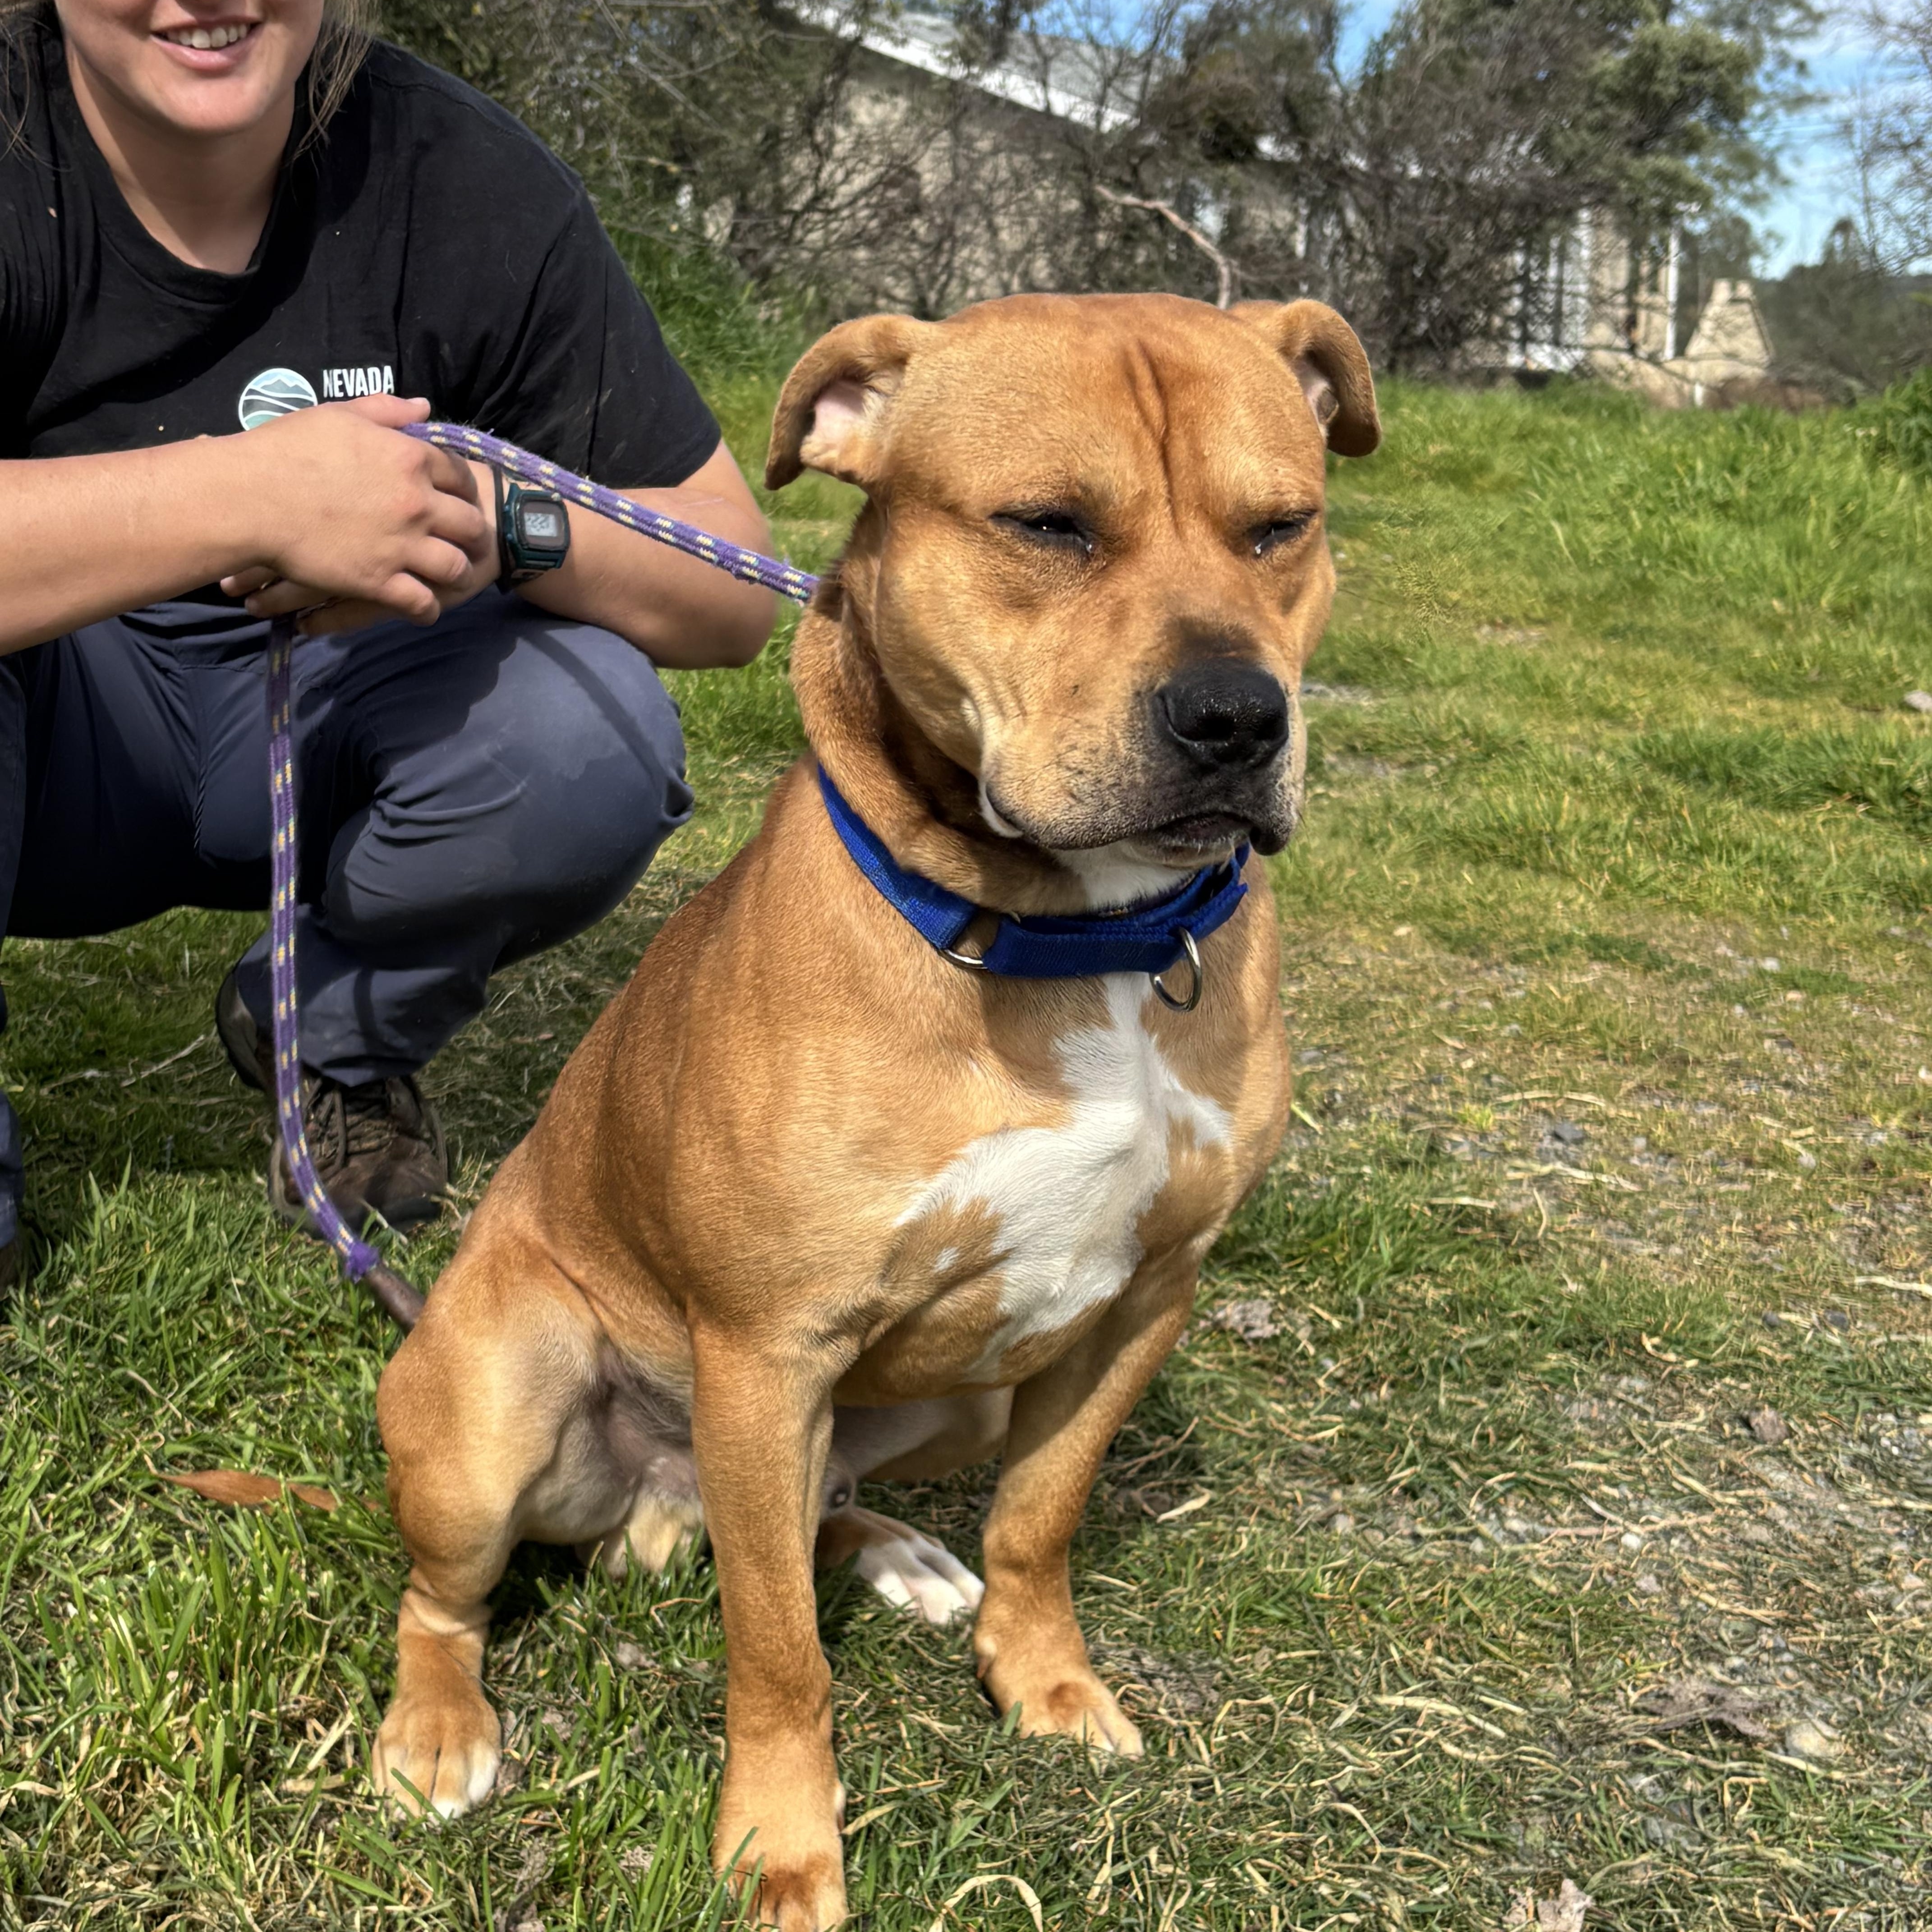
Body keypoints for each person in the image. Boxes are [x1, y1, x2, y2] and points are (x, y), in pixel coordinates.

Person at [0, 0, 778, 1286]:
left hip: (335, 702)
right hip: (63, 718)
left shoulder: (460, 175)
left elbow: (730, 580)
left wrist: (494, 522)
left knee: (589, 729)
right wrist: (241, 495)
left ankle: (329, 1033)